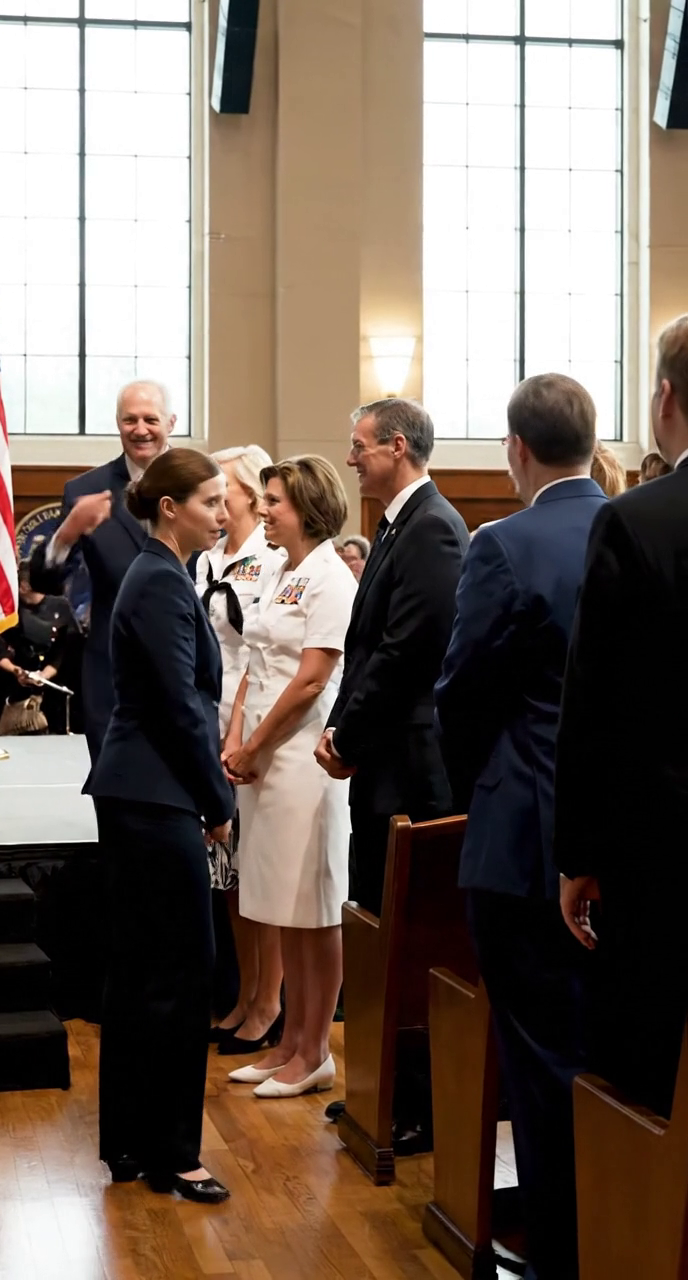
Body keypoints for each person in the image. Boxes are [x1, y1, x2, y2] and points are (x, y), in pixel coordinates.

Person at [435, 374, 607, 1280]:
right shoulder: (627, 523)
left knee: (541, 1063)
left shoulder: (505, 543)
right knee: (610, 1055)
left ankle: (558, 1257)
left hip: (526, 834)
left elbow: (460, 695)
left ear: (516, 449)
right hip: (622, 838)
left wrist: (485, 788)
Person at [314, 397, 469, 1151]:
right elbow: (367, 647)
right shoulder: (400, 524)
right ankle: (381, 1092)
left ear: (396, 446)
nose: (351, 460)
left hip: (411, 771)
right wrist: (346, 730)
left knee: (408, 940)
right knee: (378, 925)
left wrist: (347, 732)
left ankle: (417, 1108)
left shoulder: (434, 528)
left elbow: (410, 652)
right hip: (383, 761)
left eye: (359, 446)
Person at [85, 448, 235, 1204]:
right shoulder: (159, 581)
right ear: (170, 507)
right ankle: (174, 1152)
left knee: (146, 973)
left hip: (145, 793)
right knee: (180, 972)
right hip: (157, 795)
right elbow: (182, 708)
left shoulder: (159, 574)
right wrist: (219, 801)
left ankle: (133, 1144)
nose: (223, 512)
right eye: (211, 501)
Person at [557, 314, 688, 1123]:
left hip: (663, 851)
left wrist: (578, 856)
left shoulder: (638, 520)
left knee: (650, 1069)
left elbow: (596, 707)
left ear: (666, 399)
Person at [222, 456, 356, 1099]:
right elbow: (253, 659)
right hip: (264, 754)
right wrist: (235, 738)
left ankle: (316, 1050)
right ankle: (288, 1042)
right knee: (281, 906)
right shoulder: (280, 569)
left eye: (275, 501)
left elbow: (310, 679)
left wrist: (256, 746)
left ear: (308, 508)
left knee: (315, 908)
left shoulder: (331, 576)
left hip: (305, 758)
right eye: (266, 498)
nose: (264, 509)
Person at [30, 381, 177, 762]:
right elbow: (45, 582)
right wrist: (66, 533)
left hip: (187, 669)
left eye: (150, 419)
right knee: (116, 797)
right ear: (117, 423)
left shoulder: (203, 482)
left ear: (171, 422)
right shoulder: (86, 489)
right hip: (112, 672)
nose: (140, 429)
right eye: (130, 420)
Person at [195, 445, 285, 1055]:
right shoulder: (206, 559)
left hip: (249, 729)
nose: (216, 500)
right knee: (227, 878)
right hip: (207, 722)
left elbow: (261, 653)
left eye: (223, 489)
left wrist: (238, 734)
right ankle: (243, 995)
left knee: (258, 876)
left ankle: (269, 1003)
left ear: (250, 495)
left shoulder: (272, 560)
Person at [0, 559, 80, 734]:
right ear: (23, 585)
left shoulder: (60, 607)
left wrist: (44, 675)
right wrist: (16, 671)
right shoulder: (6, 609)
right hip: (8, 689)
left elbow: (64, 649)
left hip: (52, 691)